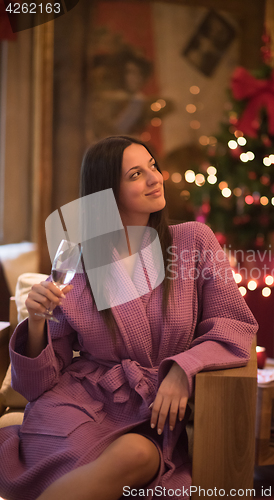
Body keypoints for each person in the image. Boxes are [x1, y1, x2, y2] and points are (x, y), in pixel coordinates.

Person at [0, 136, 258, 500]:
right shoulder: (80, 262)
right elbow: (35, 386)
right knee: (81, 459)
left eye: (153, 165)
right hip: (78, 405)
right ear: (107, 193)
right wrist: (38, 320)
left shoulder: (193, 242)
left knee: (137, 454)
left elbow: (234, 324)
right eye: (137, 174)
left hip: (153, 413)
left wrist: (181, 369)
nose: (155, 178)